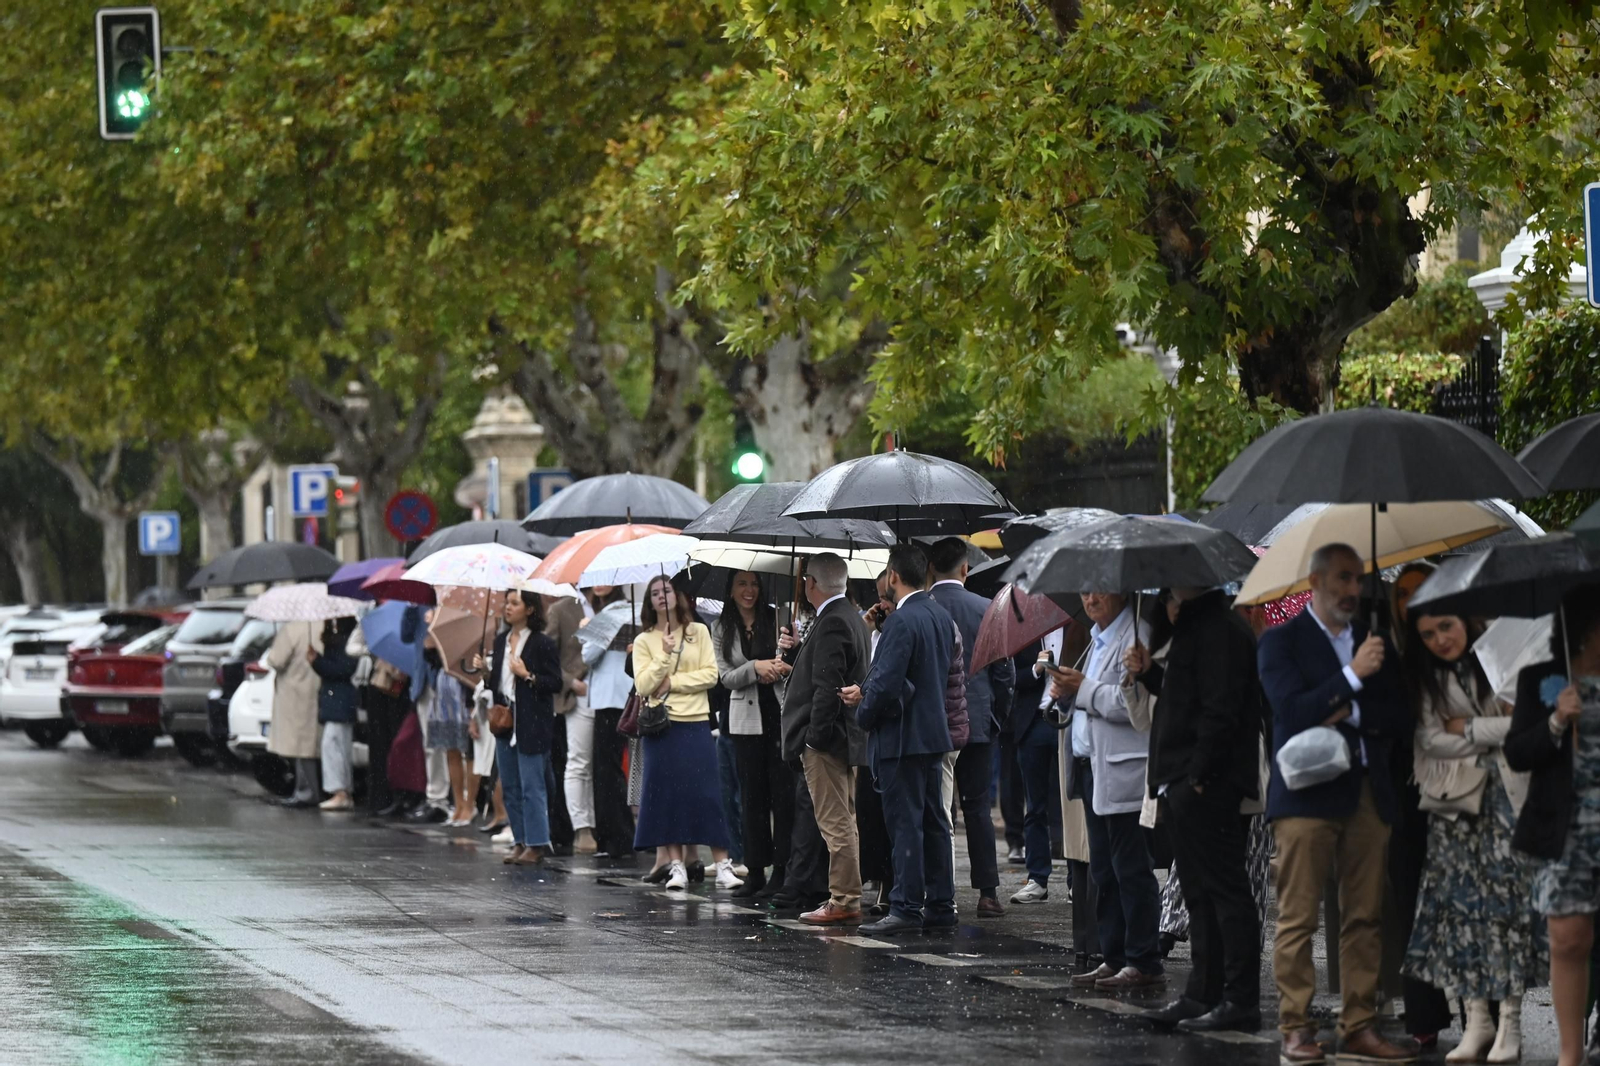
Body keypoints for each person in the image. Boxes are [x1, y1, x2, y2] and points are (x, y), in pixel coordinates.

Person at [1259, 543, 1416, 1065]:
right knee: (1298, 917)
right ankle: (1296, 1029)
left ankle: (1360, 1025)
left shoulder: (1375, 641)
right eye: (1343, 579)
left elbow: (1397, 714)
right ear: (1316, 580)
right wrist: (1350, 679)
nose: (1353, 589)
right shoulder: (1281, 642)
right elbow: (1290, 710)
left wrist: (1341, 707)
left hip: (1369, 792)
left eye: (1358, 579)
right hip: (1306, 793)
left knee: (1365, 915)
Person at [1403, 607, 1542, 1064]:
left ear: (1466, 620)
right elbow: (1428, 739)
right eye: (1427, 633)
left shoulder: (1502, 658)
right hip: (1455, 804)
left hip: (1506, 797)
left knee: (1507, 909)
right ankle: (1477, 1019)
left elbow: (1523, 724)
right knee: (1461, 912)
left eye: (1446, 626)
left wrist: (1466, 727)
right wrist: (1489, 731)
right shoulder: (1426, 676)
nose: (1440, 639)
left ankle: (1511, 1024)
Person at [1132, 587, 1263, 1033]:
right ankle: (1202, 994)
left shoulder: (1220, 630)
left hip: (1208, 784)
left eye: (1173, 592)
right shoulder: (1198, 630)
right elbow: (1184, 698)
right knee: (1199, 895)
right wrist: (1151, 675)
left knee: (1225, 893)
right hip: (1186, 780)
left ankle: (1239, 998)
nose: (1167, 603)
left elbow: (1219, 710)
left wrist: (1198, 778)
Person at [840, 544, 957, 935]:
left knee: (905, 824)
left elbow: (889, 683)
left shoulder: (901, 622)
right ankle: (941, 902)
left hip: (901, 737)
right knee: (935, 821)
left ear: (892, 576)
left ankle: (905, 905)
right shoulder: (940, 614)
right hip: (932, 733)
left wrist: (865, 712)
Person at [1505, 589, 1600, 1066]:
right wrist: (1558, 721)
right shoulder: (1542, 678)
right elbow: (1517, 752)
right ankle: (1570, 1055)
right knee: (1568, 937)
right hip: (1567, 829)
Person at [1052, 590, 1161, 992]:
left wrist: (1082, 690)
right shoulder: (1097, 638)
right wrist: (1066, 696)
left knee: (1131, 868)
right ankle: (1113, 957)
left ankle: (1143, 959)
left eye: (1099, 588)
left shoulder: (1136, 635)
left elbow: (1132, 704)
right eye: (1085, 589)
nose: (1091, 597)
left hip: (1124, 770)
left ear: (1120, 590)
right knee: (1104, 870)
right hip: (1090, 765)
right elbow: (1087, 698)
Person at [632, 573, 744, 891]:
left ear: (678, 595)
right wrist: (665, 654)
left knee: (707, 795)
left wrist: (674, 683)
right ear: (649, 602)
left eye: (666, 590)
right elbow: (643, 685)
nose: (661, 596)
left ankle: (723, 865)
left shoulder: (699, 632)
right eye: (654, 593)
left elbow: (710, 675)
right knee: (667, 797)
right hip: (662, 726)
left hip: (696, 722)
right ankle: (677, 866)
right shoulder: (644, 640)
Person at [927, 537, 1016, 919]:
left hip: (932, 723)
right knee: (978, 806)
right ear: (966, 569)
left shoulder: (921, 609)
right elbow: (1005, 671)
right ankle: (987, 893)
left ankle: (939, 890)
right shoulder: (986, 609)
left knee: (937, 808)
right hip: (978, 721)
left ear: (930, 569)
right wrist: (998, 714)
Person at [783, 553, 871, 926]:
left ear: (811, 584)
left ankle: (845, 898)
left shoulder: (833, 621)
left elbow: (826, 688)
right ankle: (845, 895)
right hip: (844, 737)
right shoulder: (849, 616)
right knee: (844, 820)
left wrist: (813, 740)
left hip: (828, 741)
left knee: (835, 823)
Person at [715, 570, 795, 899]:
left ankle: (783, 869)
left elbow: (792, 667)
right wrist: (756, 668)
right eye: (741, 584)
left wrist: (784, 657)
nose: (749, 590)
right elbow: (725, 676)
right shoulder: (721, 626)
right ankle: (756, 869)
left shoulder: (779, 618)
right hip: (744, 721)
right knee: (752, 797)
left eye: (754, 584)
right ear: (731, 589)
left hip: (778, 715)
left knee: (783, 796)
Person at [479, 590, 563, 866]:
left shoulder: (542, 643)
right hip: (505, 720)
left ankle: (537, 843)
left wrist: (528, 675)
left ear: (529, 609)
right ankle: (520, 840)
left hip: (532, 721)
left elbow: (554, 683)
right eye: (507, 602)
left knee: (532, 785)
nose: (508, 607)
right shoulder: (501, 640)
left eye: (515, 603)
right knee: (510, 785)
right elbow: (497, 685)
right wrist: (485, 673)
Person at [584, 586, 636, 857]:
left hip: (610, 700)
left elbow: (588, 655)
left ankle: (617, 838)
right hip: (617, 697)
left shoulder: (612, 613)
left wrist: (588, 633)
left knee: (607, 771)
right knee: (611, 769)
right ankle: (617, 837)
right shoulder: (626, 611)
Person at [546, 593, 591, 854]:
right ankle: (577, 829)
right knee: (575, 762)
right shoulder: (561, 609)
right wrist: (570, 682)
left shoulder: (618, 606)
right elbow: (551, 658)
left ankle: (601, 827)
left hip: (608, 694)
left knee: (601, 765)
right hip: (575, 696)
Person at [265, 620, 323, 810]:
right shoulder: (325, 626)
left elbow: (276, 660)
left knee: (299, 747)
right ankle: (315, 789)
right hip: (317, 690)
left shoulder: (291, 629)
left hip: (295, 692)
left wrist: (275, 644)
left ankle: (306, 792)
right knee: (312, 745)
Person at [311, 616, 361, 813]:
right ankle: (342, 791)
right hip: (338, 700)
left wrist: (317, 662)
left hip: (339, 701)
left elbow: (343, 669)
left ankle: (340, 792)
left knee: (334, 745)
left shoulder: (345, 640)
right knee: (338, 746)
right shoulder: (338, 640)